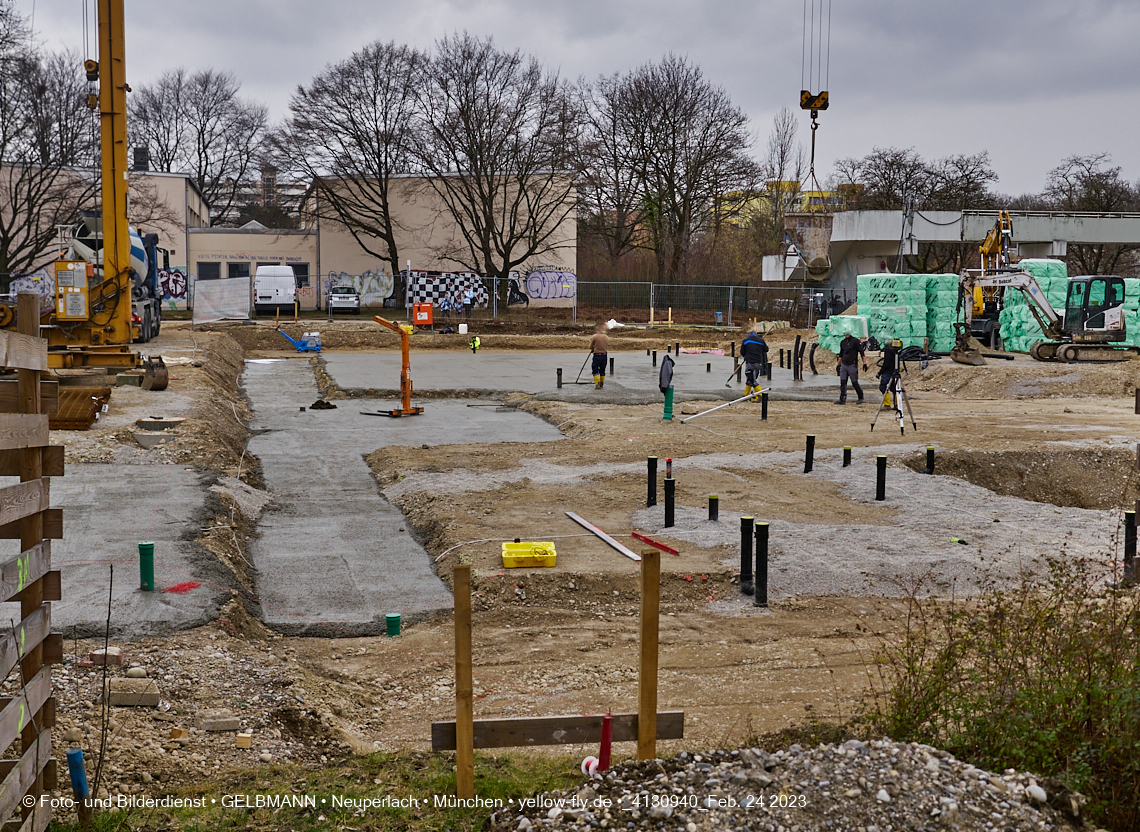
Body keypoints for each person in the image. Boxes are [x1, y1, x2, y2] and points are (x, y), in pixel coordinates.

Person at [835, 333, 867, 405]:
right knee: (843, 382)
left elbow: (862, 352)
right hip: (844, 364)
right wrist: (838, 365)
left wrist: (864, 363)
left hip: (852, 364)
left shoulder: (855, 341)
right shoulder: (843, 342)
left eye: (847, 333)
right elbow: (841, 354)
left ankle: (860, 397)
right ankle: (842, 399)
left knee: (854, 382)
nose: (846, 335)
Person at [740, 330, 769, 399]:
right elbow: (766, 349)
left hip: (750, 363)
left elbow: (742, 352)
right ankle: (746, 396)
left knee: (753, 380)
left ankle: (761, 396)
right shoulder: (760, 341)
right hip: (758, 363)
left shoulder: (745, 340)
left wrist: (745, 357)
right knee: (750, 380)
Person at [878, 337, 904, 405]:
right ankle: (896, 404)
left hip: (888, 372)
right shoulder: (896, 351)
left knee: (883, 387)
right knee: (894, 388)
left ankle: (887, 403)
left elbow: (886, 363)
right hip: (895, 371)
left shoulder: (888, 350)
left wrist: (880, 372)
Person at [588, 323, 609, 389]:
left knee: (595, 369)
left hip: (597, 355)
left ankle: (597, 384)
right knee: (602, 370)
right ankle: (602, 383)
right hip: (604, 355)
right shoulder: (606, 337)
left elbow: (590, 346)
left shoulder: (594, 336)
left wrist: (593, 348)